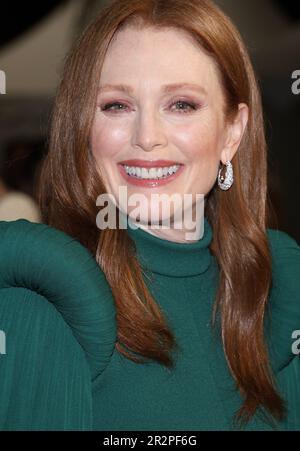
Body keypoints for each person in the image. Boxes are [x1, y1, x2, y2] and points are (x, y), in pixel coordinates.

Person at [0, 0, 299, 431]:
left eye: (181, 104)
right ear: (82, 126)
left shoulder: (276, 300)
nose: (147, 138)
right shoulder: (46, 307)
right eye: (116, 105)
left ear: (233, 132)